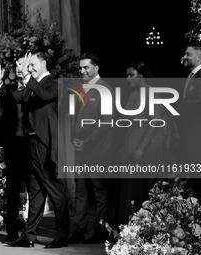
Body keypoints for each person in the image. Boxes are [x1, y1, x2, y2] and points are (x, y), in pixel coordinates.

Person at [7, 52, 69, 249]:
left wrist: (26, 76)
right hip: (32, 143)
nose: (30, 68)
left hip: (46, 144)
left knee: (55, 190)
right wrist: (1, 83)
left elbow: (43, 94)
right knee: (36, 191)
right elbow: (18, 97)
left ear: (43, 63)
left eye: (32, 65)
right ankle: (29, 235)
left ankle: (62, 235)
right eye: (28, 66)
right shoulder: (32, 83)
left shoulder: (54, 82)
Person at [113, 61, 167, 226]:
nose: (127, 78)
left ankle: (142, 227)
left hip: (146, 145)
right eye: (127, 75)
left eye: (131, 75)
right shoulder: (133, 93)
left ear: (142, 75)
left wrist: (141, 148)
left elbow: (156, 122)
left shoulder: (151, 93)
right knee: (130, 184)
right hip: (132, 141)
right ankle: (129, 226)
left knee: (141, 185)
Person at [69, 52, 115, 244]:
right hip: (80, 149)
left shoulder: (105, 89)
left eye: (86, 67)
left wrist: (86, 142)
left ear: (96, 68)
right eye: (80, 68)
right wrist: (75, 139)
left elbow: (105, 123)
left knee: (99, 193)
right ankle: (79, 229)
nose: (82, 71)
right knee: (80, 191)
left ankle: (100, 231)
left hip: (98, 150)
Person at [0, 57, 30, 243]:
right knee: (12, 191)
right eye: (17, 66)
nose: (19, 69)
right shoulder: (10, 90)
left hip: (33, 146)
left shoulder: (36, 89)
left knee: (35, 189)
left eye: (24, 65)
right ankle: (12, 233)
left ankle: (32, 232)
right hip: (13, 146)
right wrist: (0, 144)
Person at [180, 42, 201, 209]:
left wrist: (181, 103)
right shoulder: (194, 74)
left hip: (199, 139)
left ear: (199, 57)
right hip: (192, 138)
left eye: (187, 54)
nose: (184, 57)